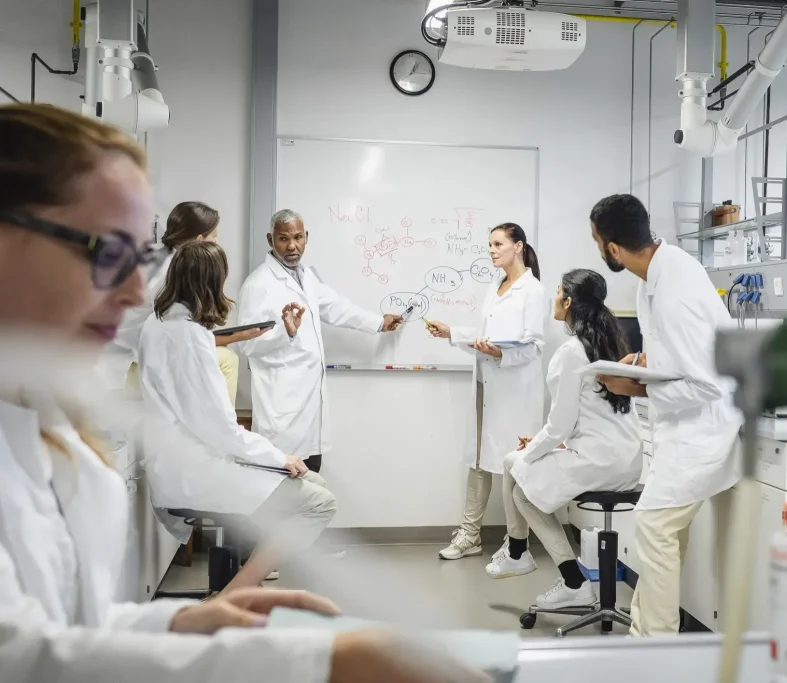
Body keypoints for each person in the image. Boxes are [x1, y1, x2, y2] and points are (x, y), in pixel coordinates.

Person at [0, 103, 487, 683]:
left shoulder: (49, 424)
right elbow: (25, 658)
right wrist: (309, 660)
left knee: (305, 492)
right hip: (235, 438)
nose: (134, 292)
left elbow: (71, 626)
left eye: (142, 257)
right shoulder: (219, 308)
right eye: (107, 251)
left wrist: (179, 624)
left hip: (240, 437)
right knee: (308, 499)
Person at [139, 241, 339, 592]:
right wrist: (279, 457)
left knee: (314, 484)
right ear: (210, 283)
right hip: (196, 468)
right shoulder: (191, 337)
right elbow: (221, 429)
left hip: (181, 459)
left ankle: (240, 583)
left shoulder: (159, 323)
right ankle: (236, 592)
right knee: (320, 503)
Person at [588, 194, 741, 636]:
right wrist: (641, 362)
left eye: (597, 242)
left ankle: (653, 644)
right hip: (681, 429)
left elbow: (706, 383)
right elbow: (677, 354)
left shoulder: (675, 290)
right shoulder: (655, 274)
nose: (598, 249)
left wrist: (634, 386)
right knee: (663, 533)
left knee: (654, 527)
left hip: (703, 430)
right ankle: (652, 636)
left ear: (612, 248)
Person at [487, 269, 642, 609]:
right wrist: (547, 444)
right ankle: (529, 558)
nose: (553, 299)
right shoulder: (611, 343)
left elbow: (559, 426)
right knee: (520, 478)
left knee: (514, 465)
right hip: (626, 461)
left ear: (569, 302)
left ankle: (529, 558)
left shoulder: (571, 352)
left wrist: (537, 448)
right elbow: (589, 418)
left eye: (557, 292)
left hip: (598, 461)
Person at [235, 209, 403, 474]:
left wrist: (378, 322)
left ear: (306, 237)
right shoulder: (258, 285)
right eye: (283, 239)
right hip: (282, 407)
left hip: (310, 407)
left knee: (312, 471)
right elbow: (247, 345)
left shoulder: (305, 276)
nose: (292, 246)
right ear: (270, 239)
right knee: (286, 484)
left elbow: (336, 307)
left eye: (298, 237)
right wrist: (286, 332)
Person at [427, 223, 547, 561]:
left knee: (516, 464)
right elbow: (485, 334)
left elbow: (535, 346)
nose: (491, 250)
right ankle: (470, 535)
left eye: (498, 244)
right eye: (489, 245)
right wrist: (452, 333)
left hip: (515, 392)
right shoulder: (495, 285)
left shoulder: (533, 291)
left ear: (518, 246)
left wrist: (501, 353)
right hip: (486, 385)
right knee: (478, 460)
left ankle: (517, 542)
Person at [111, 200, 263, 405]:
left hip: (139, 357)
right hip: (140, 363)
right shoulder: (173, 274)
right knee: (227, 360)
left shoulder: (163, 262)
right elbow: (185, 339)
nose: (217, 243)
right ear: (199, 241)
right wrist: (237, 336)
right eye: (214, 236)